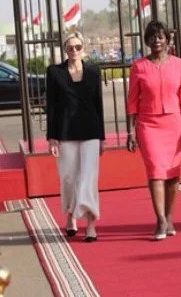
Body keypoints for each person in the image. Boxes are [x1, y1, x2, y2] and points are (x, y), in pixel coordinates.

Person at [127, 20, 181, 240]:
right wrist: (130, 132)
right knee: (156, 171)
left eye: (160, 36)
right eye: (152, 37)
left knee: (173, 175)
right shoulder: (139, 67)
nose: (157, 40)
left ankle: (170, 216)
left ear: (167, 39)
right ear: (147, 41)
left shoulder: (178, 64)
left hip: (174, 124)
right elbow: (132, 102)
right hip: (148, 125)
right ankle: (160, 220)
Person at [46, 32, 105, 242]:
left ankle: (90, 223)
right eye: (70, 47)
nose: (74, 51)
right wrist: (51, 137)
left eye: (78, 47)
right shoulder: (54, 72)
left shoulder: (93, 71)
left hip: (90, 131)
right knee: (69, 177)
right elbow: (51, 106)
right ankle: (70, 216)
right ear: (65, 50)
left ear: (84, 49)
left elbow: (98, 104)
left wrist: (102, 137)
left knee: (89, 178)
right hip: (65, 131)